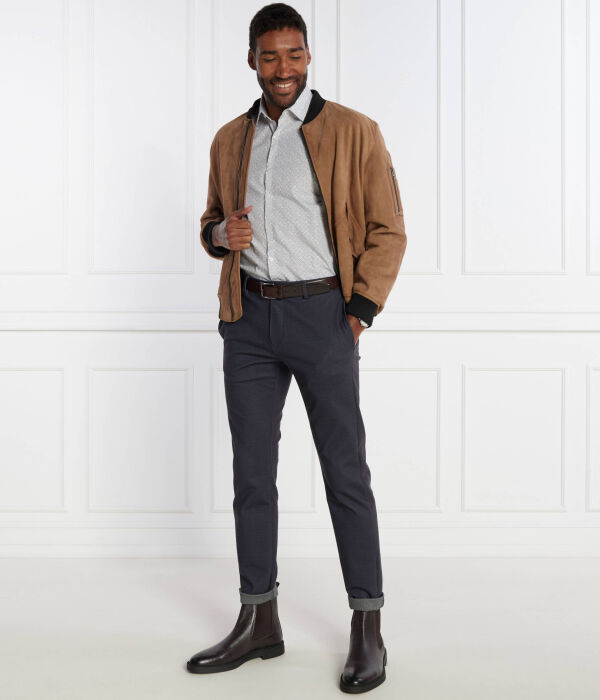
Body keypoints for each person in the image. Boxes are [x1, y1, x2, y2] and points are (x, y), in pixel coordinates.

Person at [186, 2, 406, 693]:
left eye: (294, 54)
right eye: (270, 56)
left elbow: (388, 229)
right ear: (252, 61)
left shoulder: (354, 131)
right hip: (248, 319)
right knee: (252, 476)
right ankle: (260, 620)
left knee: (345, 473)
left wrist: (358, 313)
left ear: (308, 56)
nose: (283, 68)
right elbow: (211, 222)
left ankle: (368, 627)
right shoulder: (230, 139)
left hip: (323, 317)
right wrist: (220, 236)